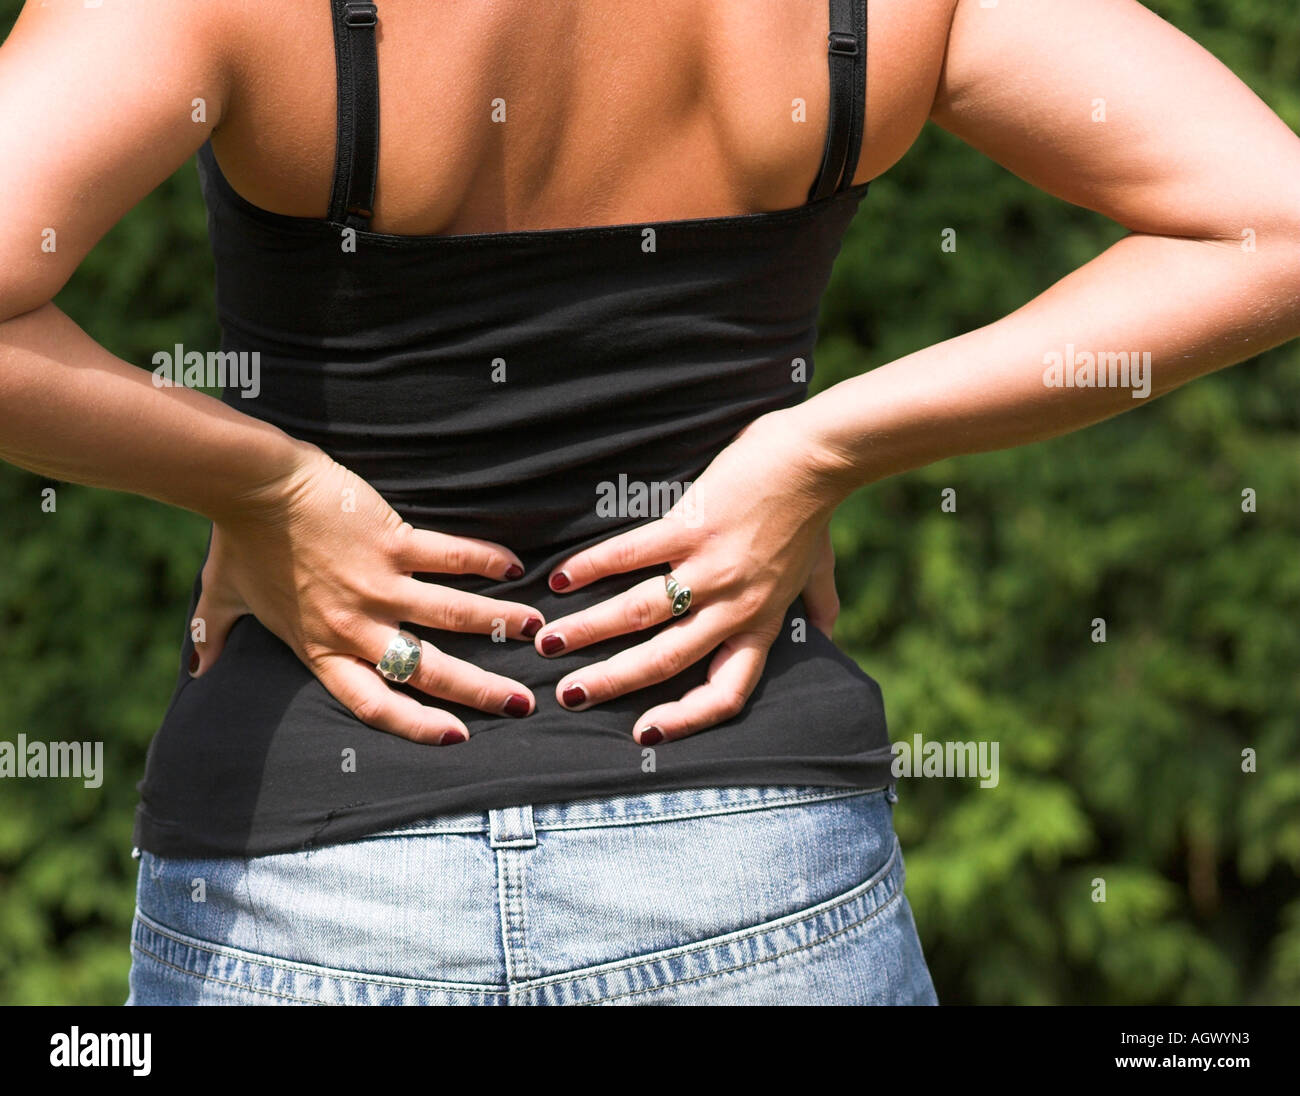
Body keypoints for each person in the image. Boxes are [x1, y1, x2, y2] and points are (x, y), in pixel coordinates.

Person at [0, 0, 1296, 1005]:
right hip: (757, 875)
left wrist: (260, 481)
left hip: (309, 886)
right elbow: (1272, 228)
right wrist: (824, 444)